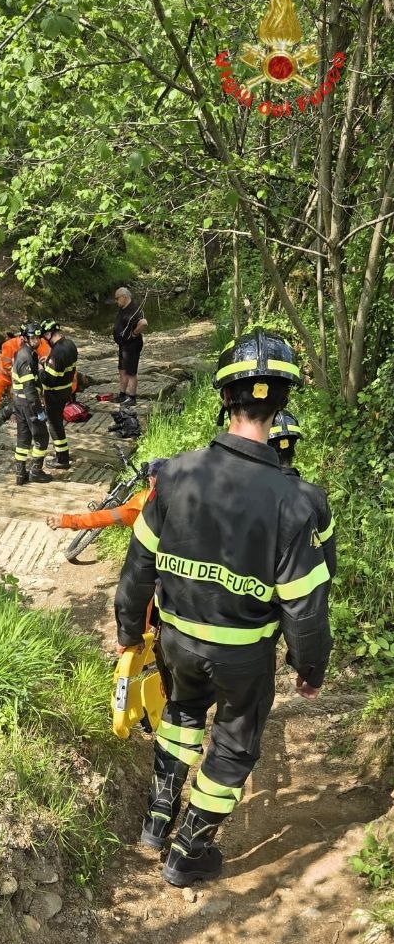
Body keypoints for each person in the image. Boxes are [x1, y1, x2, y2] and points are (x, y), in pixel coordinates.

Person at [114, 327, 334, 888]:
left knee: (182, 714)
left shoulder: (175, 474)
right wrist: (309, 667)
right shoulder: (295, 501)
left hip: (177, 643)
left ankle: (157, 819)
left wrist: (128, 631)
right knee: (234, 744)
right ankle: (189, 850)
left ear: (224, 396)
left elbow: (138, 567)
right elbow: (305, 607)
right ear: (282, 402)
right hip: (243, 656)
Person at [268, 410, 336, 578]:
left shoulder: (252, 492)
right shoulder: (316, 496)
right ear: (294, 447)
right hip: (310, 593)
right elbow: (330, 563)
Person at [46, 458, 166, 529]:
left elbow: (106, 517)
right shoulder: (179, 498)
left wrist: (68, 521)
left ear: (152, 480)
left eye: (150, 477)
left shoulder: (142, 504)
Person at [0, 325, 51, 428]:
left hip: (18, 376)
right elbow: (6, 366)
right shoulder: (8, 345)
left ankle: (15, 413)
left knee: (17, 396)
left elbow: (45, 356)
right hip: (2, 377)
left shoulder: (38, 343)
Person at [12, 321, 52, 486]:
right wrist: (39, 410)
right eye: (32, 338)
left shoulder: (25, 353)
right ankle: (36, 472)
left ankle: (20, 474)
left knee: (23, 439)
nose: (36, 341)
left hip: (20, 403)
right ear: (25, 338)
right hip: (28, 404)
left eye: (37, 338)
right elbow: (29, 388)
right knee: (42, 437)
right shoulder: (26, 357)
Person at [39, 320, 79, 471]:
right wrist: (48, 362)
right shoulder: (70, 344)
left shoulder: (57, 352)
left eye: (45, 337)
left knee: (55, 426)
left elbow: (49, 379)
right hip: (66, 390)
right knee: (58, 424)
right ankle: (63, 456)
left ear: (49, 334)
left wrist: (40, 369)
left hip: (54, 394)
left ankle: (62, 459)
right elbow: (64, 368)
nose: (45, 340)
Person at [113, 287, 148, 407]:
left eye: (117, 298)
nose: (116, 301)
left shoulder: (135, 309)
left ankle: (132, 398)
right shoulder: (123, 308)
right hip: (123, 345)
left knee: (131, 372)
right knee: (122, 370)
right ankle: (122, 395)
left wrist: (134, 333)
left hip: (132, 345)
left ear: (124, 297)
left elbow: (144, 323)